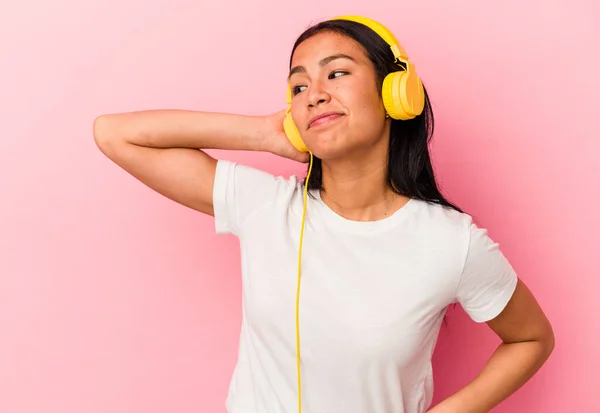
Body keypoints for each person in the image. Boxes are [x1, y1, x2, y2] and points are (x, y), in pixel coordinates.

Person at [93, 15, 554, 413]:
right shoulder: (265, 207)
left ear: (397, 93)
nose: (313, 94)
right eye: (298, 86)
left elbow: (531, 339)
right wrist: (262, 134)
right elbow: (115, 134)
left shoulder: (452, 242)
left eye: (335, 74)